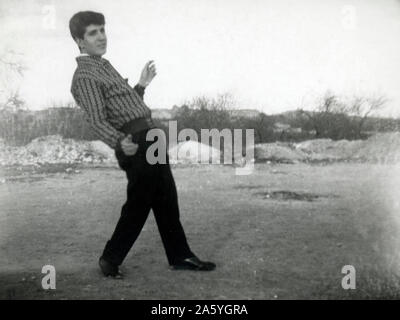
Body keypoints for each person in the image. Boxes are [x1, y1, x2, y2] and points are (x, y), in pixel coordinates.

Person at [69, 11, 216, 278]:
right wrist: (118, 142)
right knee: (140, 202)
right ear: (79, 40)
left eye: (102, 30)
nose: (101, 37)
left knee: (166, 199)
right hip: (134, 142)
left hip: (151, 137)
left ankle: (180, 255)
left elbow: (125, 107)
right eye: (93, 33)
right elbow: (97, 119)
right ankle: (110, 258)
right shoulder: (85, 76)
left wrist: (141, 85)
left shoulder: (103, 66)